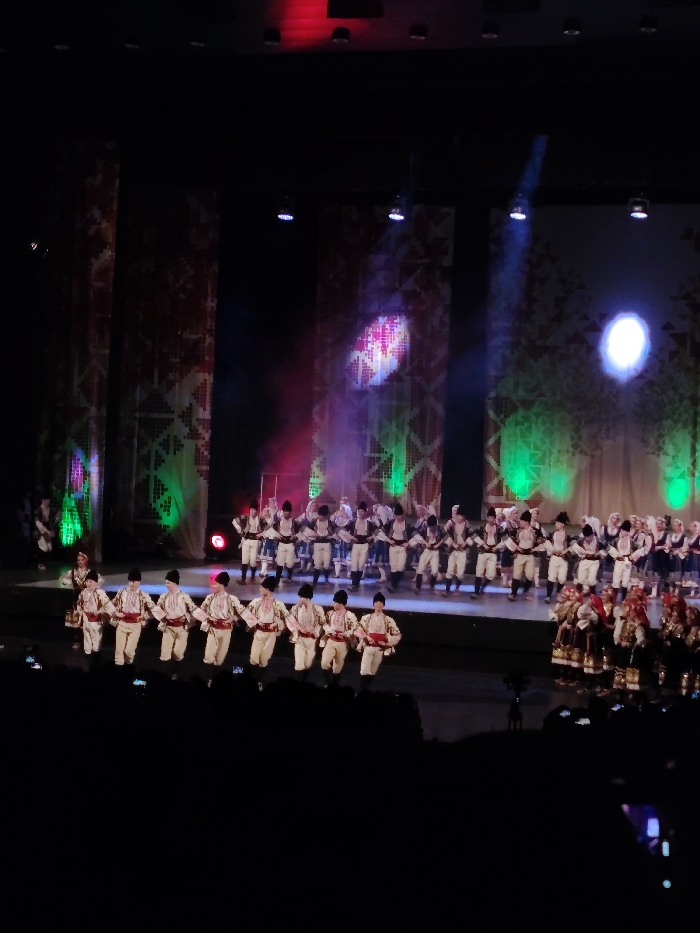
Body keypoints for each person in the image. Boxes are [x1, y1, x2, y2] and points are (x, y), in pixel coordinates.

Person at [110, 567, 165, 666]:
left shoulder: (143, 595)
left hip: (135, 625)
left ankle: (128, 668)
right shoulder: (121, 592)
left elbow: (153, 607)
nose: (131, 584)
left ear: (139, 582)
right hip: (122, 623)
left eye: (134, 581)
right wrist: (115, 613)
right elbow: (111, 604)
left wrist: (145, 616)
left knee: (129, 651)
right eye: (130, 581)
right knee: (119, 651)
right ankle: (118, 670)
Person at [199, 571, 252, 669]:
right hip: (213, 629)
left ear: (221, 585)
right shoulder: (210, 598)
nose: (213, 586)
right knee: (208, 658)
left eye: (215, 584)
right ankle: (207, 676)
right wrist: (208, 617)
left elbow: (243, 611)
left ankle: (215, 676)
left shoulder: (231, 599)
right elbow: (200, 611)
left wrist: (233, 619)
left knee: (219, 659)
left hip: (226, 631)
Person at [156, 570, 205, 671]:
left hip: (181, 628)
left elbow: (193, 609)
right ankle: (164, 673)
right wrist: (163, 616)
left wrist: (203, 618)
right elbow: (157, 609)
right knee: (165, 653)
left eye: (168, 583)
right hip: (168, 627)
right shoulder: (164, 596)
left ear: (174, 582)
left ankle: (175, 671)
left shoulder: (184, 596)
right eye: (166, 583)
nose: (166, 585)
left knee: (178, 653)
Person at [245, 576, 289, 684]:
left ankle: (259, 681)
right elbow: (246, 613)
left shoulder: (278, 604)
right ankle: (254, 681)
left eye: (262, 588)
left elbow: (287, 618)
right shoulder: (256, 602)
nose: (260, 589)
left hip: (271, 634)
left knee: (264, 659)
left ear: (267, 589)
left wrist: (276, 623)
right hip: (259, 632)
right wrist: (255, 621)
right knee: (253, 658)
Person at [354, 592, 401, 689]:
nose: (378, 604)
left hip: (380, 648)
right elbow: (358, 629)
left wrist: (387, 643)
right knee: (364, 670)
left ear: (383, 604)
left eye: (380, 602)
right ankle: (362, 689)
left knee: (373, 671)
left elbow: (397, 634)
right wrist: (366, 637)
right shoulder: (367, 618)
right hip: (369, 646)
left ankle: (365, 689)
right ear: (373, 604)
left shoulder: (388, 620)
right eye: (376, 602)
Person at [60, 552, 103, 649]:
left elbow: (101, 579)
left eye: (82, 560)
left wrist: (92, 587)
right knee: (76, 620)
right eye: (78, 560)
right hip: (75, 598)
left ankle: (88, 640)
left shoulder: (90, 572)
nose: (80, 562)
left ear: (85, 561)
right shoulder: (73, 572)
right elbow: (62, 577)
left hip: (87, 598)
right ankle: (77, 640)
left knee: (86, 620)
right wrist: (69, 583)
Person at [286, 582, 325, 680]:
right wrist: (299, 628)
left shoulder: (317, 609)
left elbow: (322, 623)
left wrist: (314, 631)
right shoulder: (296, 608)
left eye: (301, 597)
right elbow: (289, 619)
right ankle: (299, 684)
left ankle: (303, 681)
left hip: (311, 640)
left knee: (308, 664)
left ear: (306, 598)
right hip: (300, 639)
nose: (299, 599)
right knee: (299, 664)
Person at [75, 568, 116, 661]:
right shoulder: (83, 592)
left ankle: (95, 661)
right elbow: (79, 603)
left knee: (96, 641)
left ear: (96, 583)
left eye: (91, 581)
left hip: (95, 620)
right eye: (87, 581)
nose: (88, 583)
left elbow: (107, 604)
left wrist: (100, 611)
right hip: (86, 619)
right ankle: (88, 659)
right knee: (87, 641)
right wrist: (79, 611)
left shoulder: (99, 592)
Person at [319, 590, 357, 686]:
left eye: (335, 602)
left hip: (342, 643)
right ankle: (328, 683)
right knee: (324, 663)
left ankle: (334, 686)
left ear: (340, 603)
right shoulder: (330, 613)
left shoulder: (350, 615)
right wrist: (330, 630)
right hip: (331, 641)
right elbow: (325, 624)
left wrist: (345, 634)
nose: (333, 604)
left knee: (337, 667)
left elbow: (355, 628)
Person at [506, 510, 544, 601]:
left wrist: (536, 548)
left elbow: (542, 541)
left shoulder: (535, 531)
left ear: (526, 522)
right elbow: (507, 539)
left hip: (530, 555)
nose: (520, 522)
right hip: (520, 555)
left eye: (522, 521)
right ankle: (513, 593)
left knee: (530, 575)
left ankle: (526, 591)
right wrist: (516, 547)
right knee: (517, 575)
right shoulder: (517, 530)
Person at [469, 507, 500, 598]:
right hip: (483, 552)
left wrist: (497, 547)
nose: (490, 519)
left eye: (492, 517)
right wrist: (482, 544)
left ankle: (482, 587)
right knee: (479, 572)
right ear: (487, 518)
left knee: (491, 575)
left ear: (494, 518)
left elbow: (505, 539)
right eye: (489, 517)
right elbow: (473, 535)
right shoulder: (482, 527)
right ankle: (476, 592)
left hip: (493, 553)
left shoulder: (499, 528)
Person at [232, 500, 264, 584]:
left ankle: (252, 577)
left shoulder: (260, 519)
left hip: (255, 541)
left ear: (256, 510)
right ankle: (243, 579)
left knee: (253, 561)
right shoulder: (246, 517)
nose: (252, 511)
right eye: (251, 509)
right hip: (246, 540)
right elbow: (234, 521)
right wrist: (240, 530)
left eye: (254, 510)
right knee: (244, 560)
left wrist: (261, 534)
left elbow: (268, 527)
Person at [384, 503, 414, 592]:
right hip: (393, 545)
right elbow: (382, 530)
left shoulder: (407, 524)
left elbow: (414, 535)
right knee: (393, 566)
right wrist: (388, 540)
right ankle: (393, 586)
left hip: (402, 547)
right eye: (396, 516)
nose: (398, 518)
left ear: (403, 515)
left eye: (399, 516)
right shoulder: (391, 522)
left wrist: (408, 543)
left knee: (400, 567)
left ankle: (395, 583)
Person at [347, 502, 376, 591]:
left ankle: (356, 584)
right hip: (355, 545)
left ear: (365, 512)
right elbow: (344, 530)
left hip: (364, 545)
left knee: (361, 565)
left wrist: (371, 537)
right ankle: (353, 584)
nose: (360, 513)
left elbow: (378, 531)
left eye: (362, 511)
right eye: (358, 511)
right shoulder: (353, 522)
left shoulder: (369, 523)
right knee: (354, 565)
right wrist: (351, 538)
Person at [413, 515, 446, 592]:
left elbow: (446, 537)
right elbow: (416, 535)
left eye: (433, 527)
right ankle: (418, 587)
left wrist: (438, 544)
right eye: (430, 527)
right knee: (420, 568)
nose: (431, 529)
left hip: (435, 551)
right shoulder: (424, 529)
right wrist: (425, 543)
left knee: (434, 570)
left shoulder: (440, 529)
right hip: (427, 550)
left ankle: (432, 585)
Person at [545, 512, 571, 603]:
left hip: (563, 559)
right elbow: (546, 543)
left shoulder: (567, 535)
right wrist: (552, 550)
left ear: (562, 524)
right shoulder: (552, 534)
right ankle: (548, 595)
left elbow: (572, 546)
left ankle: (558, 593)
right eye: (556, 523)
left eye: (558, 523)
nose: (556, 524)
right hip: (554, 557)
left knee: (562, 578)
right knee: (551, 577)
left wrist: (565, 552)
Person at [273, 500, 302, 585]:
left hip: (290, 543)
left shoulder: (294, 522)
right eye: (284, 511)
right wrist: (276, 536)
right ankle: (277, 580)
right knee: (280, 562)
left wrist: (295, 536)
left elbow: (301, 532)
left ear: (290, 512)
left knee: (290, 563)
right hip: (281, 543)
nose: (285, 513)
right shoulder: (278, 521)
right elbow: (273, 531)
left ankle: (289, 576)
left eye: (287, 511)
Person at [572, 523, 604, 595]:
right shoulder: (582, 540)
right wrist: (583, 552)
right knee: (580, 579)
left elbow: (607, 548)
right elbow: (573, 544)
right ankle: (577, 595)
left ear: (592, 534)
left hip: (594, 561)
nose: (587, 538)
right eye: (585, 537)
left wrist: (599, 553)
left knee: (591, 580)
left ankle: (593, 595)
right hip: (585, 560)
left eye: (588, 536)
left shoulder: (598, 540)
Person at [309, 504, 336, 587]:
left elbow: (333, 533)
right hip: (317, 544)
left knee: (326, 564)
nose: (320, 517)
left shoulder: (329, 522)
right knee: (317, 564)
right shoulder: (315, 522)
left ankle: (326, 580)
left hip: (327, 544)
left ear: (325, 516)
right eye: (319, 515)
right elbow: (310, 531)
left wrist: (330, 535)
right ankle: (314, 582)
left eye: (321, 515)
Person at [33, 493, 59, 570]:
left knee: (49, 548)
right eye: (46, 500)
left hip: (47, 531)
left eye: (48, 500)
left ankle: (42, 561)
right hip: (40, 531)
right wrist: (46, 531)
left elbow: (52, 520)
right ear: (42, 500)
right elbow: (37, 523)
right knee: (44, 548)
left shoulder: (49, 510)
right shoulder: (38, 510)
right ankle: (39, 562)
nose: (48, 501)